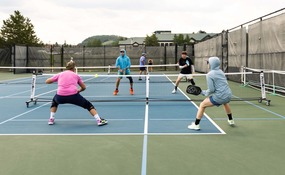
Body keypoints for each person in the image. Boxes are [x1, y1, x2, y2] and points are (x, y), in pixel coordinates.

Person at [45, 60, 108, 126]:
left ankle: (51, 119)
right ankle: (99, 120)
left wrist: (57, 80)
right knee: (88, 105)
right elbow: (83, 87)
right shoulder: (76, 75)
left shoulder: (60, 74)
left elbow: (47, 81)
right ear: (73, 68)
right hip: (74, 96)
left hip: (60, 97)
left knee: (54, 102)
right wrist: (79, 90)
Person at [188, 57, 234, 130]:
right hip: (228, 94)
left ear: (212, 64)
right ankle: (231, 120)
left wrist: (203, 93)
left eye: (208, 62)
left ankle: (196, 125)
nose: (207, 64)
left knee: (202, 105)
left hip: (220, 96)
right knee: (225, 102)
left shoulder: (210, 74)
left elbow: (211, 90)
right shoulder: (221, 71)